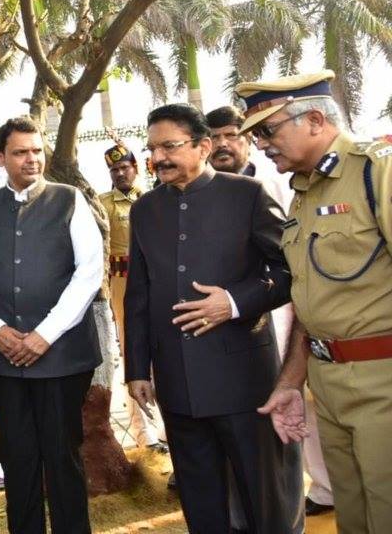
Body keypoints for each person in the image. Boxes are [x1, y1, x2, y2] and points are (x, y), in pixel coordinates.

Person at [125, 104, 300, 533]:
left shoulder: (247, 195)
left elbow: (291, 272)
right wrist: (137, 369)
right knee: (201, 502)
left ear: (203, 146)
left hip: (244, 381)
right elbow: (139, 295)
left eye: (170, 146)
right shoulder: (145, 209)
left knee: (265, 499)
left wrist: (235, 302)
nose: (159, 157)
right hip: (176, 382)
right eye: (153, 149)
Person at [241, 71, 392, 532]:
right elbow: (313, 304)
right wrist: (291, 382)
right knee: (355, 518)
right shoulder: (302, 194)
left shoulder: (376, 171)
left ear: (312, 119)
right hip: (328, 387)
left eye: (268, 130)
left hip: (383, 381)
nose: (263, 144)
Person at [0, 116, 103, 534]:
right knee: (18, 459)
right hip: (2, 361)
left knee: (63, 457)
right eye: (20, 152)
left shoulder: (69, 199)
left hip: (61, 357)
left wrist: (44, 335)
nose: (31, 159)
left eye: (37, 151)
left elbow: (89, 273)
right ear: (0, 157)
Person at [205, 105, 333, 519]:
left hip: (290, 313)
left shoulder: (274, 183)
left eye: (232, 135)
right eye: (216, 137)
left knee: (300, 400)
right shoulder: (200, 192)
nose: (224, 144)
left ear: (244, 141)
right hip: (232, 327)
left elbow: (291, 261)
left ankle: (320, 488)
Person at [98, 142, 167, 453]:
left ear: (136, 168)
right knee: (133, 352)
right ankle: (144, 432)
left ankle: (168, 427)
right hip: (123, 283)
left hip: (161, 281)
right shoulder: (102, 203)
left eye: (125, 167)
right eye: (114, 169)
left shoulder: (157, 198)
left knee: (168, 351)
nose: (120, 173)